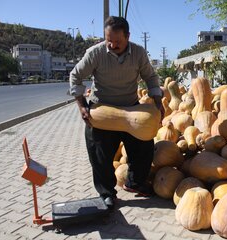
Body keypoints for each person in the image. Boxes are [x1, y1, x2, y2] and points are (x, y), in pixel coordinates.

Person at [69, 16, 164, 209]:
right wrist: (81, 106)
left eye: (117, 41)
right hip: (102, 110)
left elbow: (151, 77)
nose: (112, 45)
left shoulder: (138, 53)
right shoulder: (95, 53)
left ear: (128, 36)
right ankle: (107, 193)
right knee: (100, 155)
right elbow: (75, 76)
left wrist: (157, 100)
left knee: (144, 148)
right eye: (108, 40)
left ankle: (135, 183)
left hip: (131, 108)